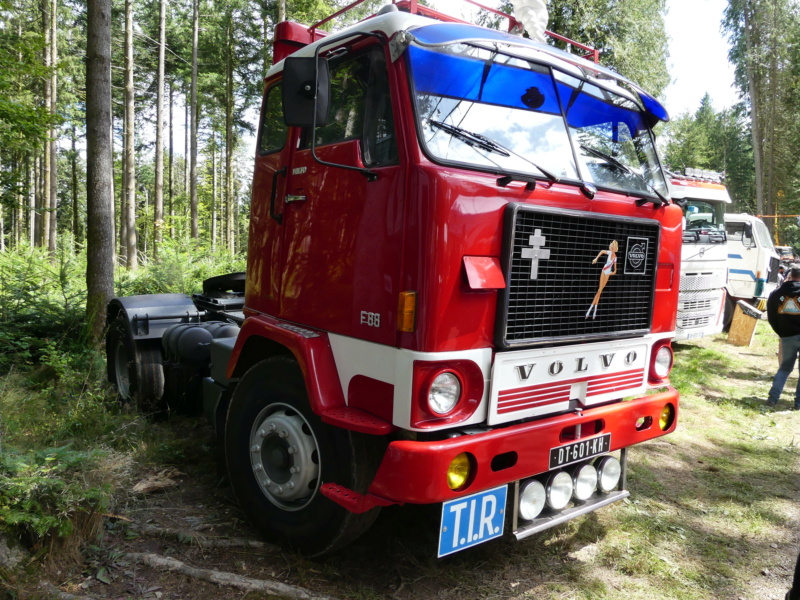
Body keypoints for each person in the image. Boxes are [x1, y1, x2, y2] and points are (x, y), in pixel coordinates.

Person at [766, 266, 800, 409]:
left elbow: (771, 317)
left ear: (790, 276)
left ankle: (773, 399)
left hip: (787, 336)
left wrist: (782, 332)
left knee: (785, 368)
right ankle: (798, 404)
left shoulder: (776, 294)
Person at [586, 240, 618, 319]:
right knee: (599, 290)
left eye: (613, 246)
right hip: (604, 271)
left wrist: (611, 273)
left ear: (615, 248)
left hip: (607, 273)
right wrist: (596, 258)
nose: (612, 247)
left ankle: (592, 309)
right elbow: (602, 251)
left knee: (600, 291)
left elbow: (615, 271)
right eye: (611, 246)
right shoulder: (609, 253)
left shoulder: (615, 258)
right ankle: (591, 310)